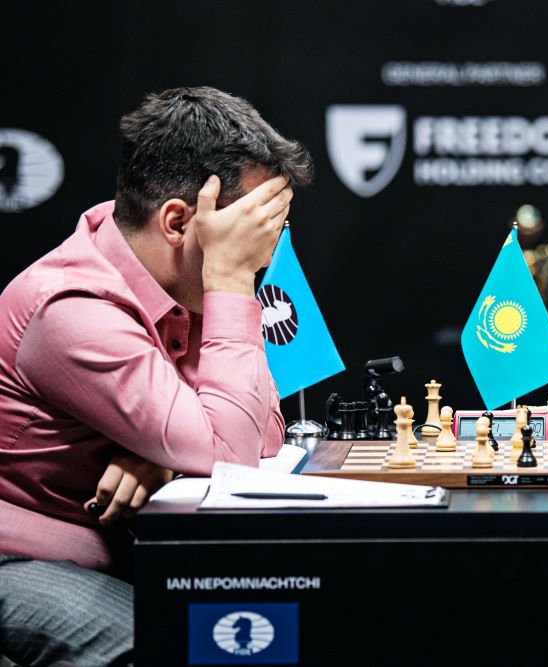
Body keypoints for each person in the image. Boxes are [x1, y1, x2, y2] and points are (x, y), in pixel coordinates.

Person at [0, 87, 313, 666]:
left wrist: (162, 454)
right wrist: (229, 279)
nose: (264, 257)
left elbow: (264, 431)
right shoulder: (71, 309)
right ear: (177, 221)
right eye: (249, 231)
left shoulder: (177, 282)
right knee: (172, 647)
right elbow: (231, 454)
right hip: (18, 556)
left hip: (113, 550)